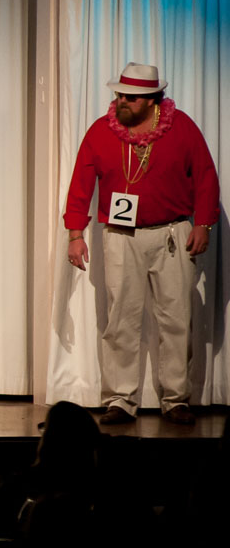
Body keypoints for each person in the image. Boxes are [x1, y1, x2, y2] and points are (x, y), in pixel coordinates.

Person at [64, 62, 219, 426]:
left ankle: (176, 398)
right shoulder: (101, 131)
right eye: (119, 95)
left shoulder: (182, 128)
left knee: (176, 317)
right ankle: (120, 398)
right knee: (121, 318)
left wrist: (203, 223)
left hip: (172, 233)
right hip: (121, 236)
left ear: (152, 100)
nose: (122, 101)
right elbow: (81, 183)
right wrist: (75, 234)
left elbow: (205, 176)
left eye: (131, 98)